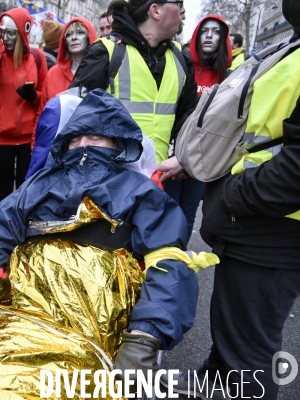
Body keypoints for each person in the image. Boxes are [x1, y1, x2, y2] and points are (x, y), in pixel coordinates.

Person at [0, 90, 209, 398]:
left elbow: (168, 264)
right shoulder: (37, 186)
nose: (84, 144)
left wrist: (144, 336)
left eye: (96, 138)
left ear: (118, 144)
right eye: (76, 137)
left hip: (92, 321)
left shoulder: (140, 192)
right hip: (18, 308)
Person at [170, 3, 300, 398]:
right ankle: (214, 379)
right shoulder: (292, 49)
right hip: (255, 229)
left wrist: (231, 195)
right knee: (235, 337)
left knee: (248, 356)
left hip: (269, 234)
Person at [69, 0, 198, 187]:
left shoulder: (181, 57)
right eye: (178, 3)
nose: (183, 9)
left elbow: (188, 116)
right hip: (106, 184)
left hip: (158, 181)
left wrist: (184, 157)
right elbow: (73, 119)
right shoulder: (106, 51)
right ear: (155, 10)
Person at [164, 15, 231, 244]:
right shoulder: (183, 66)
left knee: (188, 212)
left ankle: (180, 261)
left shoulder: (227, 77)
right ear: (196, 36)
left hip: (203, 159)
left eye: (216, 32)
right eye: (205, 31)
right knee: (167, 211)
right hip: (174, 155)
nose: (210, 36)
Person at [0, 8, 48, 204]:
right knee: (4, 190)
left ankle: (21, 230)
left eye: (11, 32)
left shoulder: (37, 57)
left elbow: (44, 97)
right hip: (1, 136)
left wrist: (33, 96)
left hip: (28, 137)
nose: (6, 37)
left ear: (22, 32)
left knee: (25, 189)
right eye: (3, 31)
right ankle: (2, 231)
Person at [41, 17, 97, 107]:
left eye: (80, 32)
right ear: (64, 42)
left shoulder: (100, 73)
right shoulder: (53, 73)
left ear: (89, 37)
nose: (74, 37)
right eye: (69, 34)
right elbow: (43, 110)